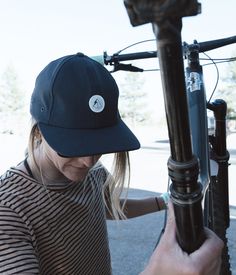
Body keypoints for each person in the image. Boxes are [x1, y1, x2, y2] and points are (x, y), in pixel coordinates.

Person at [0, 53, 223, 274]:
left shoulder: (94, 174)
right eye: (73, 145)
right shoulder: (9, 209)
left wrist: (165, 200)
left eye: (98, 144)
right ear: (38, 132)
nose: (89, 160)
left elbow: (107, 205)